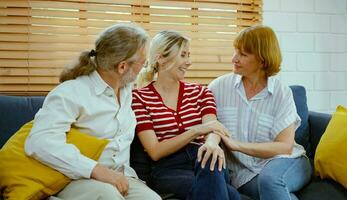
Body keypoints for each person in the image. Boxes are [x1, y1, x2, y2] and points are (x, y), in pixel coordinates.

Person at [24, 23, 161, 200]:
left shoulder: (126, 90)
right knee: (108, 196)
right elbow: (39, 142)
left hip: (122, 176)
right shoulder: (71, 92)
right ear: (122, 67)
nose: (145, 68)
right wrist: (96, 170)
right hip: (75, 178)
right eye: (142, 63)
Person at [132, 30, 240, 200]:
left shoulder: (201, 92)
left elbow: (212, 127)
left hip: (203, 156)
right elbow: (154, 151)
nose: (188, 62)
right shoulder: (139, 98)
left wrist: (212, 143)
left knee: (209, 158)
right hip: (168, 168)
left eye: (188, 55)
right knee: (230, 195)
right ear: (160, 58)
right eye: (183, 55)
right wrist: (196, 130)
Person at [208, 25, 312, 200]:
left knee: (271, 181)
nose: (234, 58)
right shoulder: (218, 87)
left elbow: (284, 147)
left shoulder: (281, 93)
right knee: (276, 192)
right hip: (245, 173)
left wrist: (236, 145)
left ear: (262, 60)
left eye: (243, 54)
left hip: (288, 162)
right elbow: (206, 122)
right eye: (235, 51)